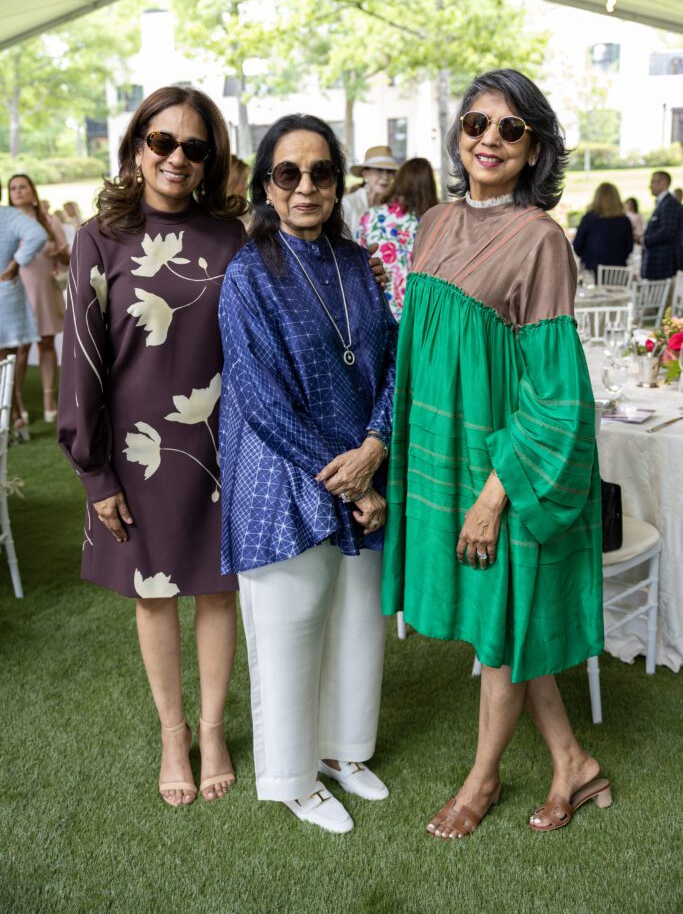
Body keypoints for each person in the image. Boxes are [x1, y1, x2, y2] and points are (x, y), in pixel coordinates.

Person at [382, 69, 607, 840]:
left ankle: (481, 782)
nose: (489, 139)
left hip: (502, 464)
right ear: (458, 134)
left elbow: (556, 391)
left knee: (501, 620)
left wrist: (495, 491)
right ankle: (574, 763)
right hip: (441, 456)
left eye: (510, 129)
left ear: (534, 147)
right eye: (476, 123)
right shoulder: (434, 222)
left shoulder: (540, 240)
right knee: (504, 621)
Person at [57, 86, 248, 807]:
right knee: (155, 592)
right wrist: (94, 471)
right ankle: (174, 735)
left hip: (223, 443)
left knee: (218, 590)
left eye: (193, 148)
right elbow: (81, 361)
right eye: (161, 142)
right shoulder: (99, 238)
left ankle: (213, 729)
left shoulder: (232, 238)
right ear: (136, 146)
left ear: (209, 162)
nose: (175, 158)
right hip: (138, 452)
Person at [218, 114, 397, 835]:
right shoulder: (246, 273)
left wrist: (376, 445)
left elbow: (388, 361)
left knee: (357, 619)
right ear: (267, 184)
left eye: (321, 172)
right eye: (288, 173)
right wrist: (350, 474)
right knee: (290, 625)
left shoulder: (356, 263)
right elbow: (256, 394)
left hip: (361, 467)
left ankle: (344, 752)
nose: (305, 186)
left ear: (337, 180)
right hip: (283, 478)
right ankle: (292, 776)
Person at [8, 173, 70, 423]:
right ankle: (16, 402)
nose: (18, 191)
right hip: (18, 291)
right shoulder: (7, 223)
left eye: (23, 186)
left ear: (32, 191)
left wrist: (60, 252)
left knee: (46, 344)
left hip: (45, 289)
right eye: (13, 188)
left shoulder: (48, 220)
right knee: (20, 348)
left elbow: (66, 259)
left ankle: (48, 398)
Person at [358, 157, 438, 318]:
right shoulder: (434, 222)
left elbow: (358, 262)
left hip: (378, 307)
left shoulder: (371, 216)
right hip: (419, 312)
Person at [0, 183, 47, 438]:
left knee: (5, 361)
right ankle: (16, 417)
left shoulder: (8, 216)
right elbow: (37, 234)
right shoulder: (10, 216)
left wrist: (15, 264)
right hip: (6, 291)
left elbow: (38, 234)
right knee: (6, 362)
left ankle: (13, 419)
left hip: (4, 293)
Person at [572, 182, 633, 277]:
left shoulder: (588, 218)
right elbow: (629, 247)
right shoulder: (624, 221)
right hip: (617, 271)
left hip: (592, 269)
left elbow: (577, 245)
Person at [342, 145, 398, 237]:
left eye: (390, 171)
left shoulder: (394, 206)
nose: (385, 177)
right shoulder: (348, 203)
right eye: (379, 170)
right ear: (365, 174)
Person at [641, 170, 683, 279]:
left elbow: (668, 231)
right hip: (658, 261)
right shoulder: (663, 203)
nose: (650, 186)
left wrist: (645, 240)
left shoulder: (669, 204)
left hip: (663, 263)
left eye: (653, 182)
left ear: (664, 183)